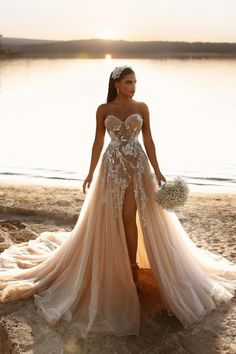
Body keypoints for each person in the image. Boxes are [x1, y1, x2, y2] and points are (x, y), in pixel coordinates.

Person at [0, 65, 236, 339]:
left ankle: (133, 271)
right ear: (116, 83)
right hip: (111, 169)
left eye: (135, 81)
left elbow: (148, 139)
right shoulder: (103, 109)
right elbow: (97, 142)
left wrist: (158, 170)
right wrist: (89, 172)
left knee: (130, 218)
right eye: (128, 81)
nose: (134, 86)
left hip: (137, 166)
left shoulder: (143, 107)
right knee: (112, 219)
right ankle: (122, 268)